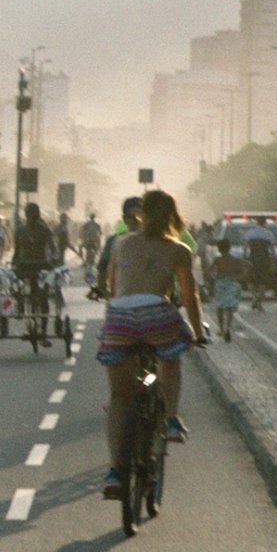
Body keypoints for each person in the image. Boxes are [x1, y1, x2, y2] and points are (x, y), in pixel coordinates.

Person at [96, 189, 206, 501]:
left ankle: (115, 472)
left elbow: (115, 290)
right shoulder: (179, 249)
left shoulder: (120, 243)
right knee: (171, 358)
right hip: (156, 315)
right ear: (174, 216)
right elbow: (188, 297)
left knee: (119, 398)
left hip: (120, 318)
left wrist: (112, 327)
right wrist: (197, 333)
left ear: (141, 214)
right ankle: (171, 420)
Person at [10, 202, 58, 314]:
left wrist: (14, 262)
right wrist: (55, 259)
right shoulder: (45, 230)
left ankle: (20, 301)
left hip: (24, 266)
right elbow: (53, 249)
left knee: (16, 283)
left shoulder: (20, 231)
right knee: (44, 291)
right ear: (39, 215)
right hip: (41, 265)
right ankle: (27, 300)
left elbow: (16, 251)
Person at [207, 241, 247, 343]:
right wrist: (239, 277)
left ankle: (221, 329)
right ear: (229, 248)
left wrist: (214, 277)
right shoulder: (234, 260)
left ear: (219, 249)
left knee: (220, 307)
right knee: (229, 308)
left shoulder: (218, 260)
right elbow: (248, 266)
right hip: (232, 283)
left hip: (220, 283)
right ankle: (228, 327)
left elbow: (209, 271)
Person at [78, 212, 103, 278]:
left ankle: (83, 260)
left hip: (88, 240)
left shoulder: (87, 224)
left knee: (80, 247)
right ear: (94, 218)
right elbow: (100, 232)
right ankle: (97, 254)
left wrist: (82, 236)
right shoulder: (97, 224)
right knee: (99, 247)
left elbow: (82, 231)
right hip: (94, 240)